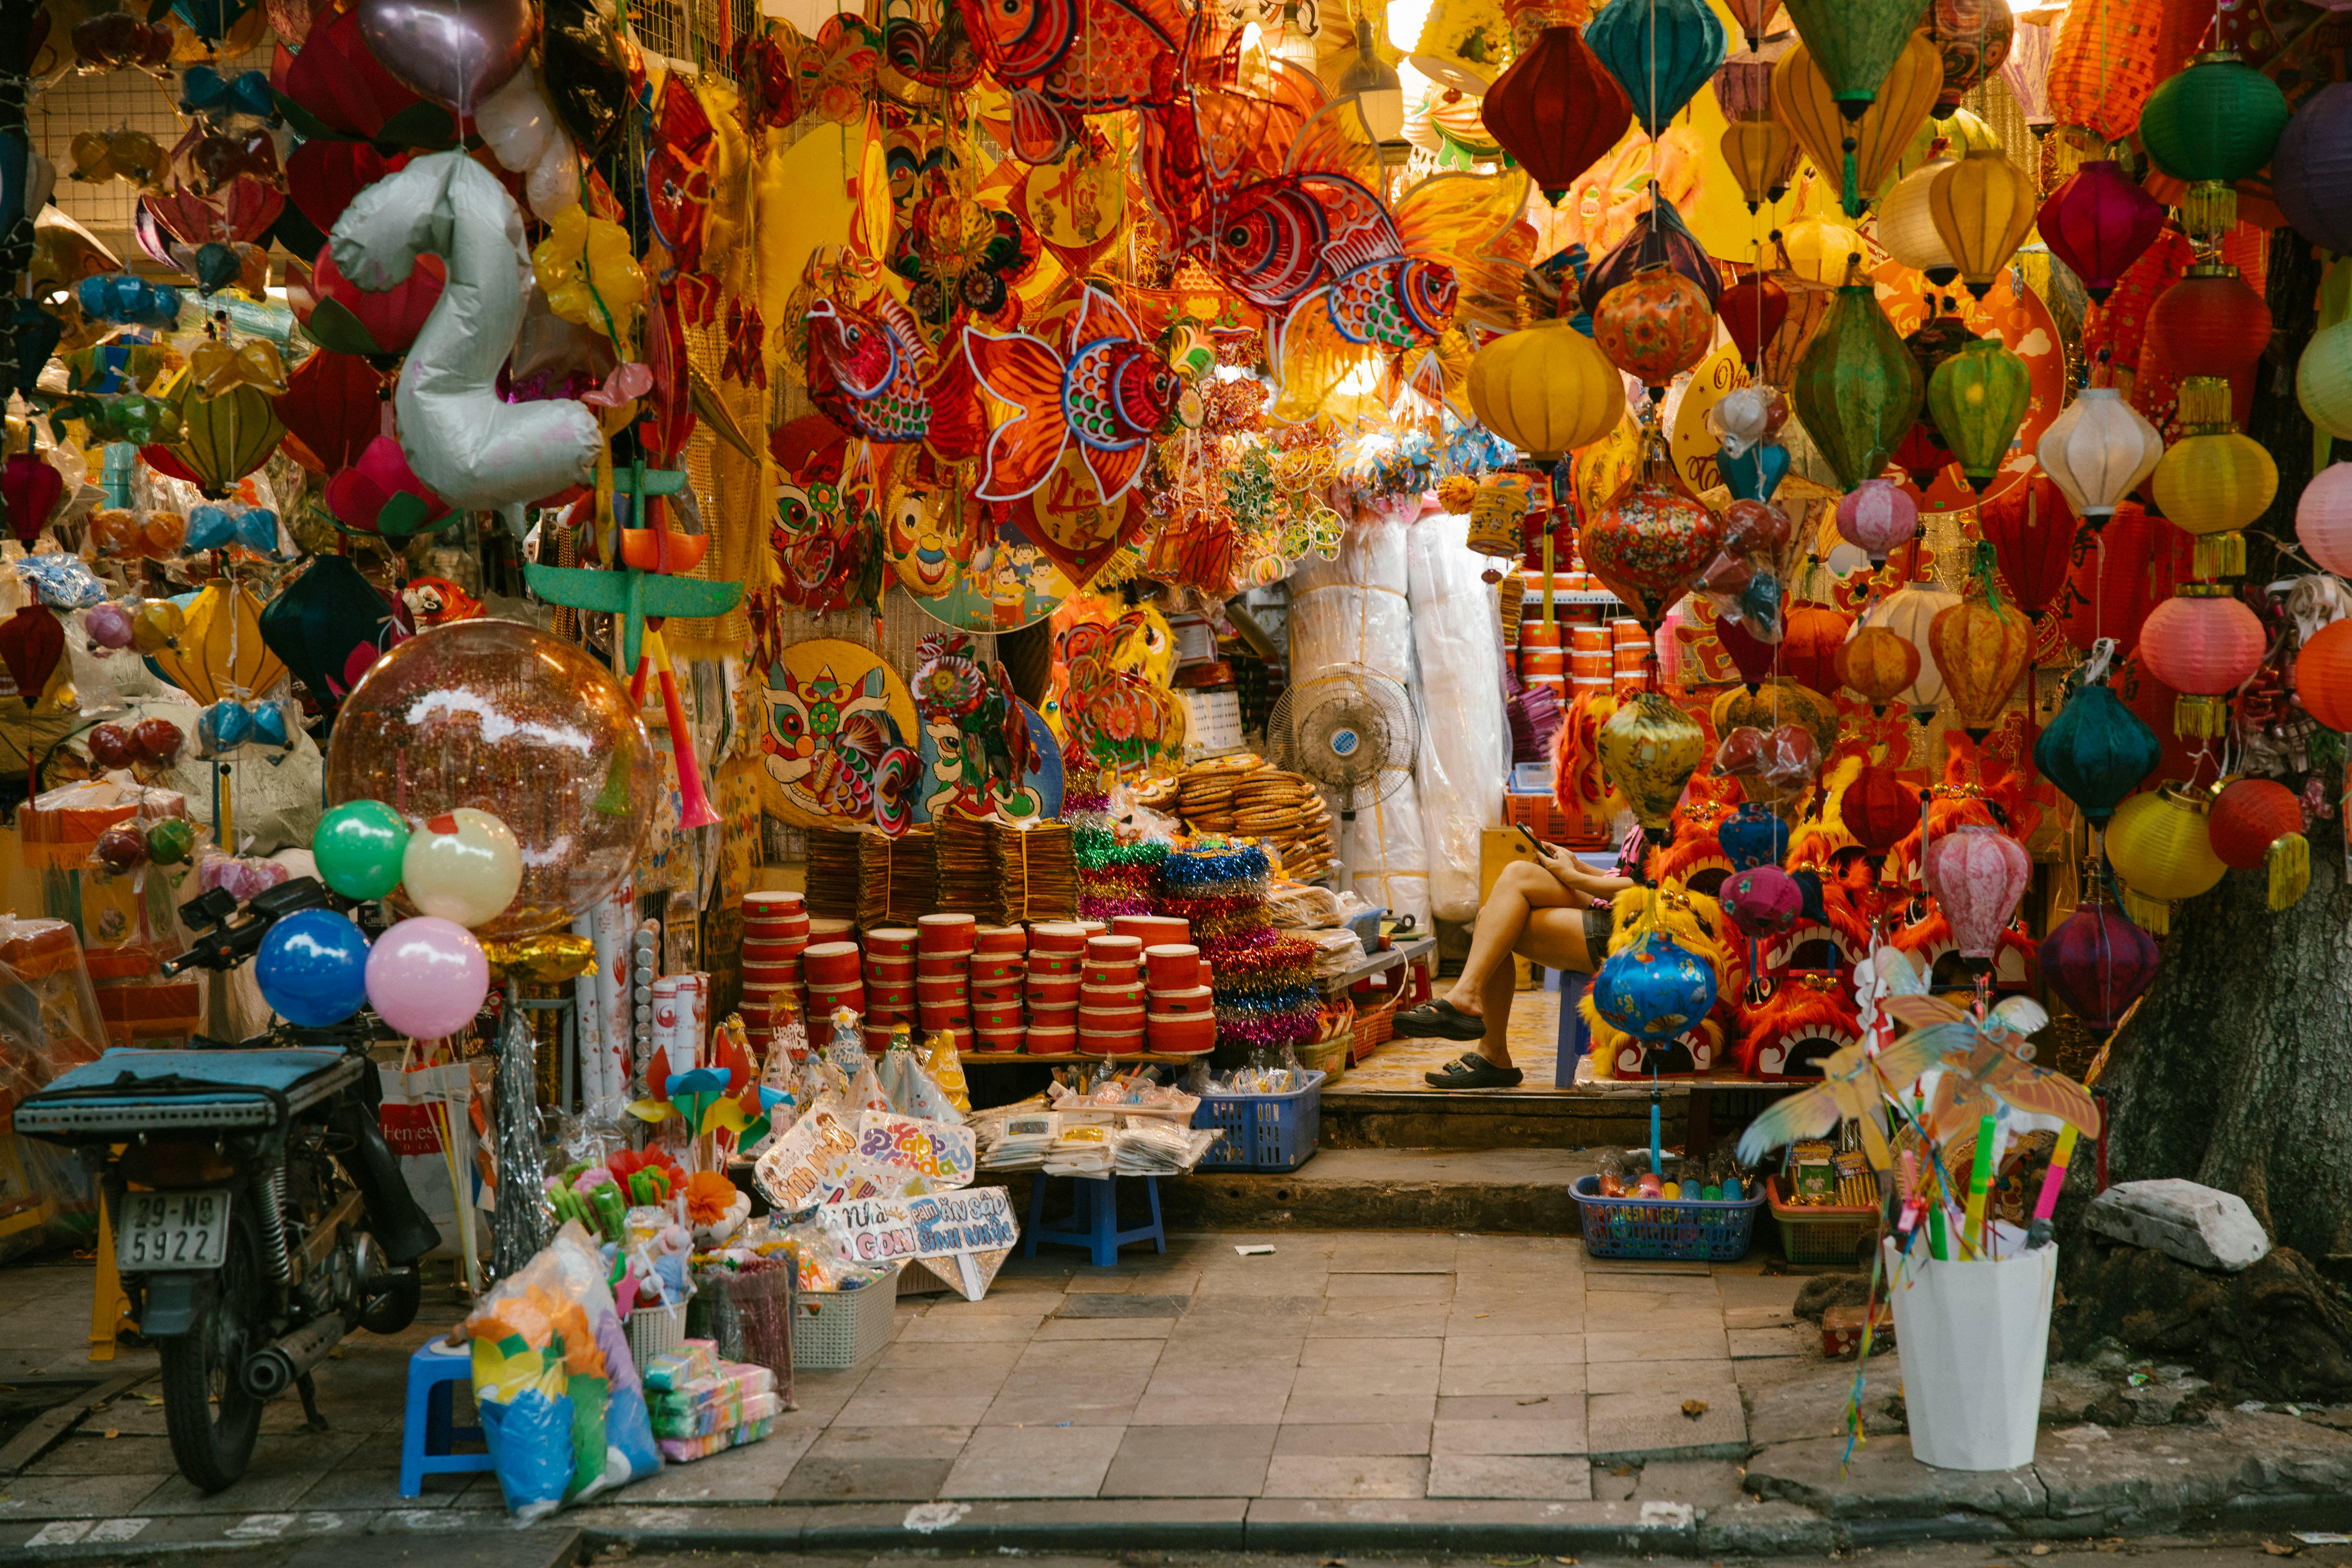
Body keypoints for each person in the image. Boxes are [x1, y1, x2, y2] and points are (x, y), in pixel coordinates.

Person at [1391, 840, 1632, 1089]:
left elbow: (1648, 889)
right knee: (1513, 882)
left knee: (1497, 924)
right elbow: (1629, 876)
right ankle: (1478, 1020)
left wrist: (1572, 877)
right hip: (1613, 910)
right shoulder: (1647, 810)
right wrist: (1577, 867)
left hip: (1635, 933)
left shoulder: (1663, 818)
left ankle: (1483, 1033)